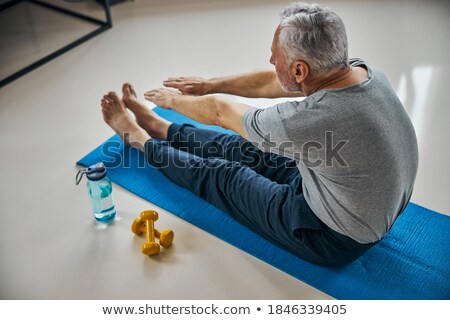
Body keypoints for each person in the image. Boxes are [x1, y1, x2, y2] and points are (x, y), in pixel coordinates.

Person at [100, 2, 418, 266]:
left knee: (223, 176)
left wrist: (172, 101)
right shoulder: (363, 72)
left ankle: (138, 137)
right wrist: (208, 85)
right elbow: (272, 81)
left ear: (299, 70)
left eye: (275, 56)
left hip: (333, 235)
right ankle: (160, 127)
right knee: (243, 149)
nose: (270, 60)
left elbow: (220, 114)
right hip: (349, 193)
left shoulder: (313, 117)